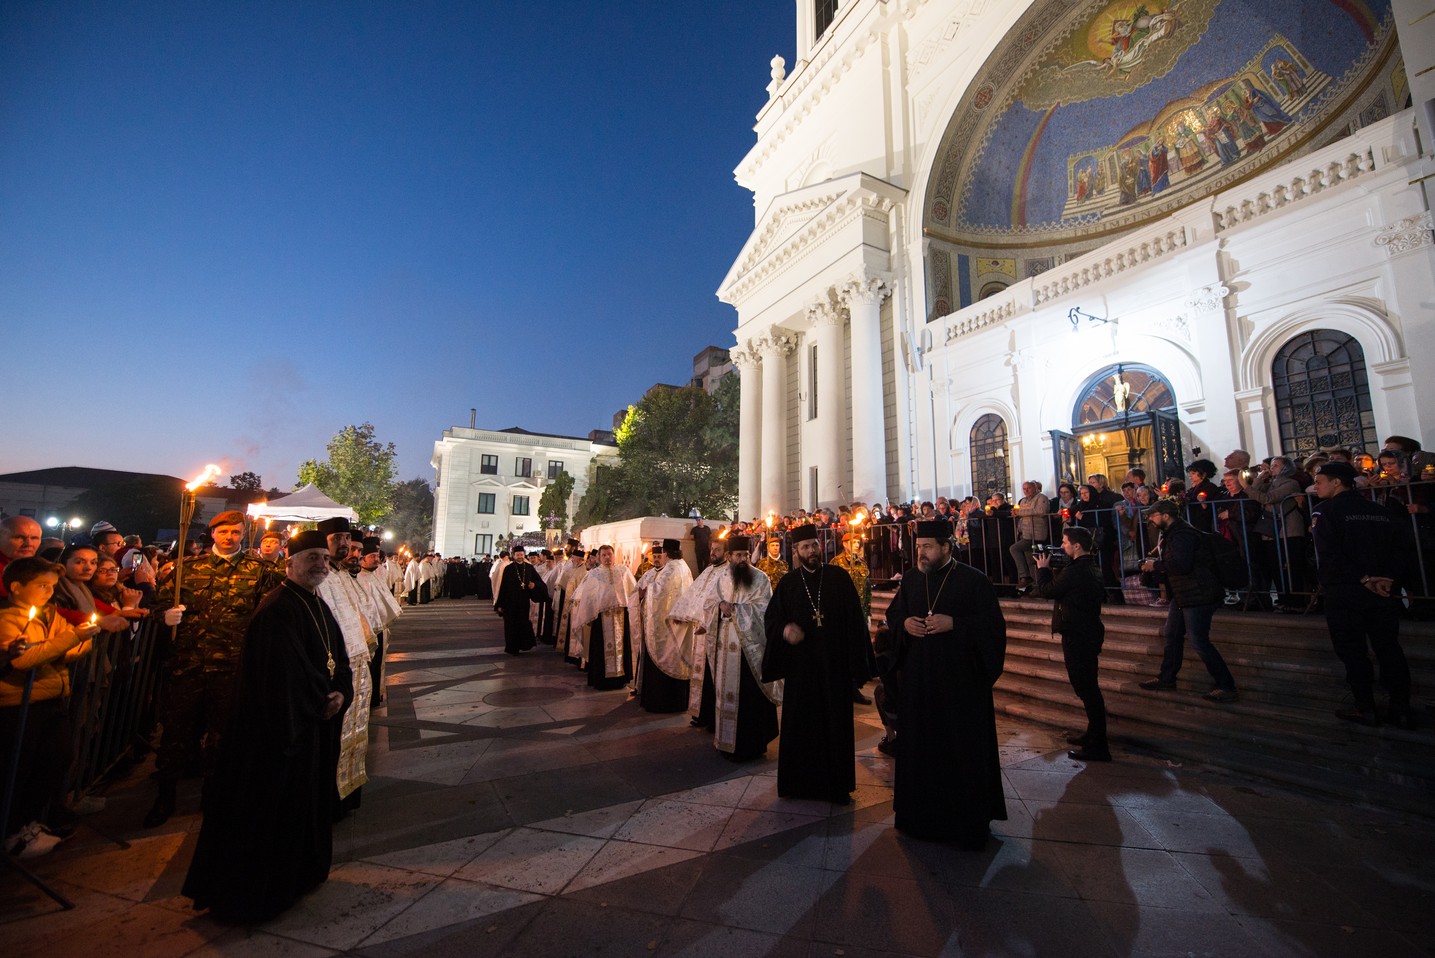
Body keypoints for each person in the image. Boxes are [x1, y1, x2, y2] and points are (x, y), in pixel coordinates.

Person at [181, 530, 353, 923]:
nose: (321, 565)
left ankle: (301, 874)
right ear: (289, 563)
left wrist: (341, 691)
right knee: (273, 812)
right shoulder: (276, 609)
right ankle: (267, 889)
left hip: (310, 723)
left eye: (324, 559)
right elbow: (284, 674)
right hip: (279, 732)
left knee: (304, 806)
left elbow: (337, 659)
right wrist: (320, 701)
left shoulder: (317, 604)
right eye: (312, 558)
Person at [146, 511, 282, 828]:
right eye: (223, 532)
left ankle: (214, 795)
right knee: (175, 734)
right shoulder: (186, 569)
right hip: (187, 664)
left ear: (243, 534)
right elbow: (159, 605)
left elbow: (269, 617)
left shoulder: (259, 572)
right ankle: (165, 797)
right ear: (213, 533)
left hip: (232, 667)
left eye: (236, 532)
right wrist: (165, 616)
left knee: (222, 736)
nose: (229, 537)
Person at [884, 518, 1007, 847]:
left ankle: (963, 822)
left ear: (946, 547)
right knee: (920, 751)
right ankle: (918, 818)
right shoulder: (911, 579)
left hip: (959, 688)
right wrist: (905, 624)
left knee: (959, 752)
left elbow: (992, 630)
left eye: (927, 547)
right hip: (919, 685)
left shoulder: (973, 581)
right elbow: (894, 616)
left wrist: (955, 624)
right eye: (918, 547)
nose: (920, 554)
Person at [1, 557, 101, 858]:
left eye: (52, 587)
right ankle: (12, 832)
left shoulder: (50, 613)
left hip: (52, 699)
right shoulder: (8, 618)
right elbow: (23, 660)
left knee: (57, 758)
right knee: (19, 769)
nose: (48, 592)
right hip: (20, 704)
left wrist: (67, 644)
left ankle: (29, 823)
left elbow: (71, 649)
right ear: (17, 588)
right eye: (42, 586)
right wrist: (69, 640)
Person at [763, 525, 867, 800]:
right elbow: (772, 619)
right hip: (801, 670)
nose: (811, 551)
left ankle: (837, 786)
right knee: (801, 724)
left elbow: (856, 621)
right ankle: (798, 784)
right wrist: (785, 630)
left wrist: (857, 665)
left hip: (834, 667)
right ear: (795, 551)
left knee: (836, 725)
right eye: (804, 547)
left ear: (820, 546)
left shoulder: (838, 578)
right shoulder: (788, 583)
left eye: (814, 545)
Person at [1309, 462, 1417, 728]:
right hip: (1382, 590)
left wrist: (1364, 578)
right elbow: (1401, 548)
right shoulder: (1378, 510)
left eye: (1320, 480)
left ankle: (1364, 705)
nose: (1316, 486)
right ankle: (1400, 707)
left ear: (1337, 482)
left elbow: (1330, 553)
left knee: (1352, 650)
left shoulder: (1326, 511)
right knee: (1388, 648)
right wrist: (1387, 578)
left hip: (1346, 590)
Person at [675, 535, 779, 760]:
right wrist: (716, 610)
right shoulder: (721, 579)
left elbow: (766, 611)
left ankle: (753, 744)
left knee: (750, 699)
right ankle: (725, 741)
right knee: (725, 695)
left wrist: (735, 610)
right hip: (724, 649)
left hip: (750, 653)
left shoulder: (761, 579)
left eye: (745, 555)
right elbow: (709, 604)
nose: (742, 559)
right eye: (737, 555)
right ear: (729, 556)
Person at [1137, 500, 1240, 702]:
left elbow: (1181, 564)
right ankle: (1167, 678)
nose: (1150, 519)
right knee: (1172, 634)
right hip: (1184, 592)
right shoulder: (1174, 533)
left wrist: (1155, 565)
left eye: (1153, 515)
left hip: (1198, 593)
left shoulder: (1182, 534)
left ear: (1166, 516)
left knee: (1198, 640)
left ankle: (1226, 685)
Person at [1034, 527, 1110, 761]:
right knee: (1087, 688)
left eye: (1066, 542)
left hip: (1078, 633)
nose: (1063, 546)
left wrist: (1043, 570)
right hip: (1086, 631)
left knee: (1087, 688)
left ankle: (1098, 745)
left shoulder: (1077, 570)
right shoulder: (1089, 566)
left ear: (1077, 546)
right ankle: (1093, 735)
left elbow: (1047, 591)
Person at [569, 545, 640, 690]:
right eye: (604, 555)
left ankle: (620, 679)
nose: (607, 558)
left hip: (620, 616)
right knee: (600, 649)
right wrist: (587, 613)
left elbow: (633, 592)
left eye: (609, 554)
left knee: (622, 648)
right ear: (599, 558)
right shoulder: (593, 574)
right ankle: (601, 680)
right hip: (600, 618)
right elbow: (587, 597)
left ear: (614, 556)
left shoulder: (624, 571)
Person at [639, 539, 695, 712]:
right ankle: (678, 701)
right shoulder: (683, 565)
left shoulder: (671, 568)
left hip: (667, 625)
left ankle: (663, 702)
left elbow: (659, 593)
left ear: (666, 552)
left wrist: (647, 588)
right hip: (678, 622)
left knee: (667, 658)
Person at [493, 547, 547, 655]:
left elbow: (540, 583)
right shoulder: (508, 569)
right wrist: (500, 604)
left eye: (521, 554)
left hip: (523, 602)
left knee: (523, 623)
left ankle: (523, 645)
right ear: (514, 555)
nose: (520, 557)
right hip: (510, 602)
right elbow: (503, 587)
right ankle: (512, 648)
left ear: (524, 555)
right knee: (511, 625)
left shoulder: (529, 568)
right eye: (518, 555)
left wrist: (534, 585)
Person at [1009, 480, 1052, 593]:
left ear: (1035, 488)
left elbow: (1040, 511)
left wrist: (1020, 512)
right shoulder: (1023, 501)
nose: (1026, 491)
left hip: (1037, 534)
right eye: (1024, 489)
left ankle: (1026, 577)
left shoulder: (1041, 498)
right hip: (1026, 534)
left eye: (1028, 488)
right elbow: (1023, 515)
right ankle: (1036, 588)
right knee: (1030, 560)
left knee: (1016, 549)